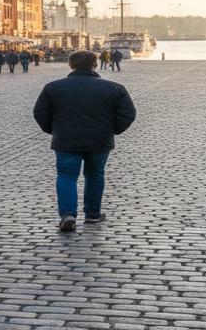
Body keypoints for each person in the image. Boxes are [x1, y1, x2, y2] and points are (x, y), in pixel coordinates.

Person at [33, 50, 136, 231]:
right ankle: (92, 214)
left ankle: (67, 214)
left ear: (71, 65)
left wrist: (54, 130)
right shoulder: (114, 88)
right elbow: (128, 114)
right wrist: (113, 130)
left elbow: (40, 113)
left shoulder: (53, 87)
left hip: (66, 139)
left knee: (66, 175)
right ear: (94, 65)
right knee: (95, 174)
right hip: (100, 139)